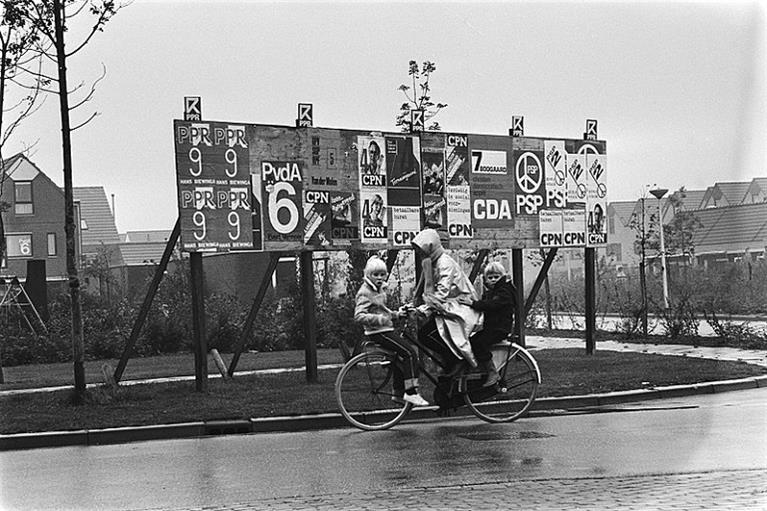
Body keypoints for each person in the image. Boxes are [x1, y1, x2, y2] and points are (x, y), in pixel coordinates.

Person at [354, 255, 429, 406]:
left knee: (400, 359)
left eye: (382, 274)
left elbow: (383, 311)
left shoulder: (377, 290)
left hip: (384, 330)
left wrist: (398, 314)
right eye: (375, 275)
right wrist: (380, 320)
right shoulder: (365, 292)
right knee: (409, 353)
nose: (379, 278)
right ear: (368, 275)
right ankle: (411, 392)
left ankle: (398, 392)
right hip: (378, 333)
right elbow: (359, 316)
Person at [410, 229, 482, 374]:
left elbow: (442, 293)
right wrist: (413, 305)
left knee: (427, 334)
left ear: (429, 248)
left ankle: (457, 360)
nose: (419, 254)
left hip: (462, 307)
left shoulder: (444, 263)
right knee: (426, 334)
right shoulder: (432, 263)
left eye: (421, 251)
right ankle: (450, 363)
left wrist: (423, 309)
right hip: (448, 307)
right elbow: (426, 290)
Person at [459, 262, 516, 387]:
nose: (493, 280)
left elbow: (491, 305)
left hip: (499, 328)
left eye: (496, 277)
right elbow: (486, 304)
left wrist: (473, 304)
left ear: (503, 276)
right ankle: (484, 370)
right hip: (493, 327)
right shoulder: (493, 291)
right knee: (471, 342)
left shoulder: (503, 291)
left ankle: (492, 372)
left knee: (479, 344)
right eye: (490, 277)